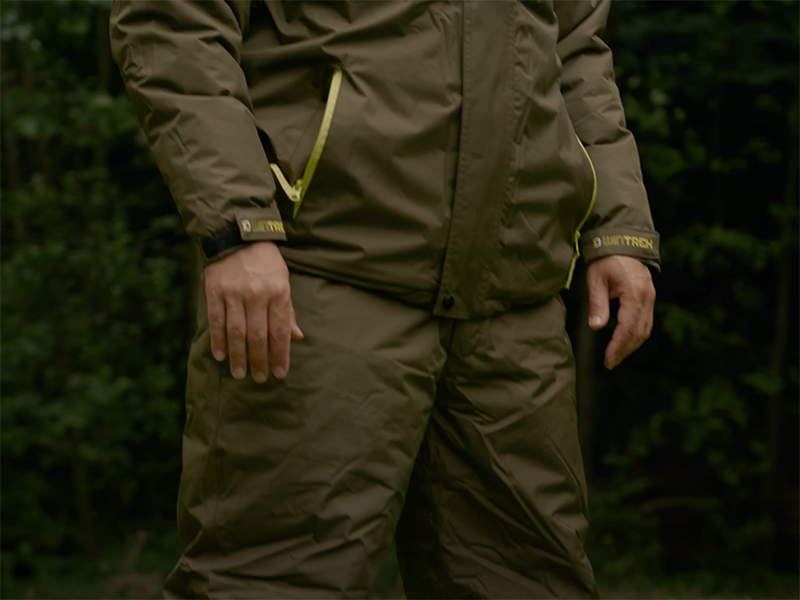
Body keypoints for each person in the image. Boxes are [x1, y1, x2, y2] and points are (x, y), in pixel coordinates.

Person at [111, 1, 659, 597]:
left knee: (530, 584)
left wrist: (617, 222)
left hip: (514, 293)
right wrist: (235, 224)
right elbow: (174, 21)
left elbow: (575, 46)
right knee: (273, 580)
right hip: (320, 272)